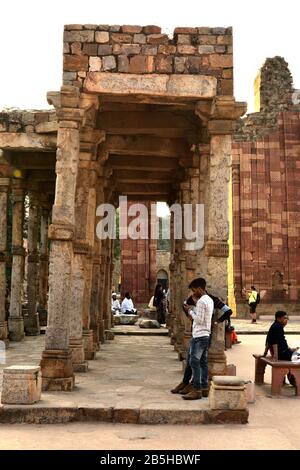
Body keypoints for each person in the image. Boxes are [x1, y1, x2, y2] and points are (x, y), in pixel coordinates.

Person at [171, 277, 214, 400]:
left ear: (200, 289)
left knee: (194, 362)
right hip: (205, 334)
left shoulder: (201, 301)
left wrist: (190, 311)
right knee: (203, 362)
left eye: (194, 290)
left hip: (199, 335)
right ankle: (204, 387)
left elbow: (199, 319)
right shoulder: (209, 300)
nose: (193, 293)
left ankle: (197, 389)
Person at [264, 311, 299, 385]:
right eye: (284, 318)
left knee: (295, 355)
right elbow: (274, 342)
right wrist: (276, 356)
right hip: (282, 353)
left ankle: (292, 378)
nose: (286, 320)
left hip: (284, 351)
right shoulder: (277, 327)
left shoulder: (275, 326)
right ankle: (294, 380)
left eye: (287, 318)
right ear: (278, 318)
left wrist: (265, 353)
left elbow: (268, 341)